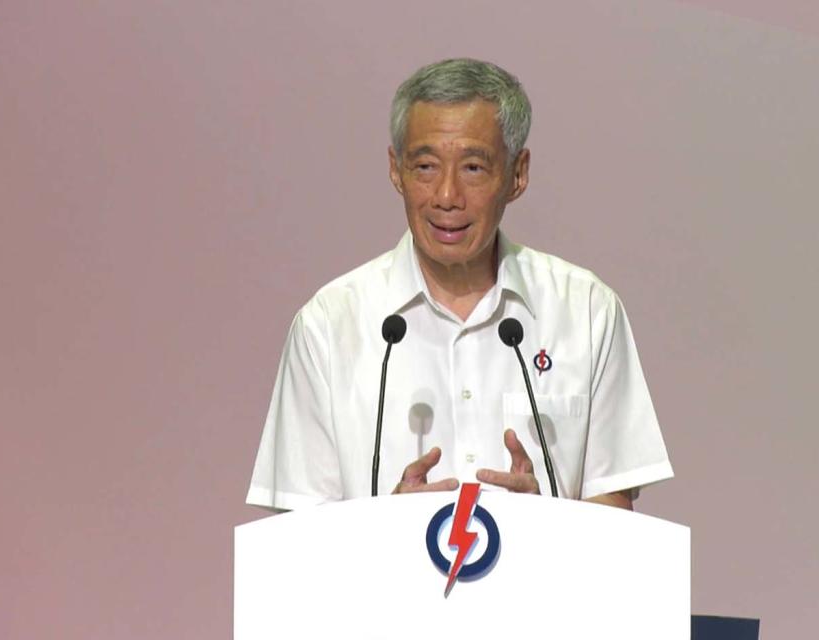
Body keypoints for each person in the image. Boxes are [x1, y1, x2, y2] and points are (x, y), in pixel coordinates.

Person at [246, 58, 672, 511]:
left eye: (473, 167)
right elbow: (294, 540)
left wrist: (548, 523)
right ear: (396, 170)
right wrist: (382, 532)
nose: (447, 197)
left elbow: (616, 517)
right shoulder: (328, 327)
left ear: (518, 174)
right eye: (425, 166)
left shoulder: (586, 310)